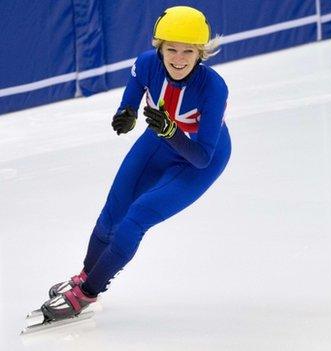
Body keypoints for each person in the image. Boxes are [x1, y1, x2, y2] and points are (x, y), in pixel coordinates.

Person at [39, 6, 231, 321]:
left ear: (202, 53)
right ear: (159, 47)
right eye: (171, 49)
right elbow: (134, 91)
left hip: (198, 156)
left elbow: (202, 157)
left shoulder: (213, 87)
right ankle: (87, 275)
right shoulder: (146, 64)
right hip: (159, 140)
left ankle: (88, 293)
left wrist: (171, 130)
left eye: (189, 51)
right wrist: (125, 113)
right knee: (112, 213)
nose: (179, 58)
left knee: (135, 218)